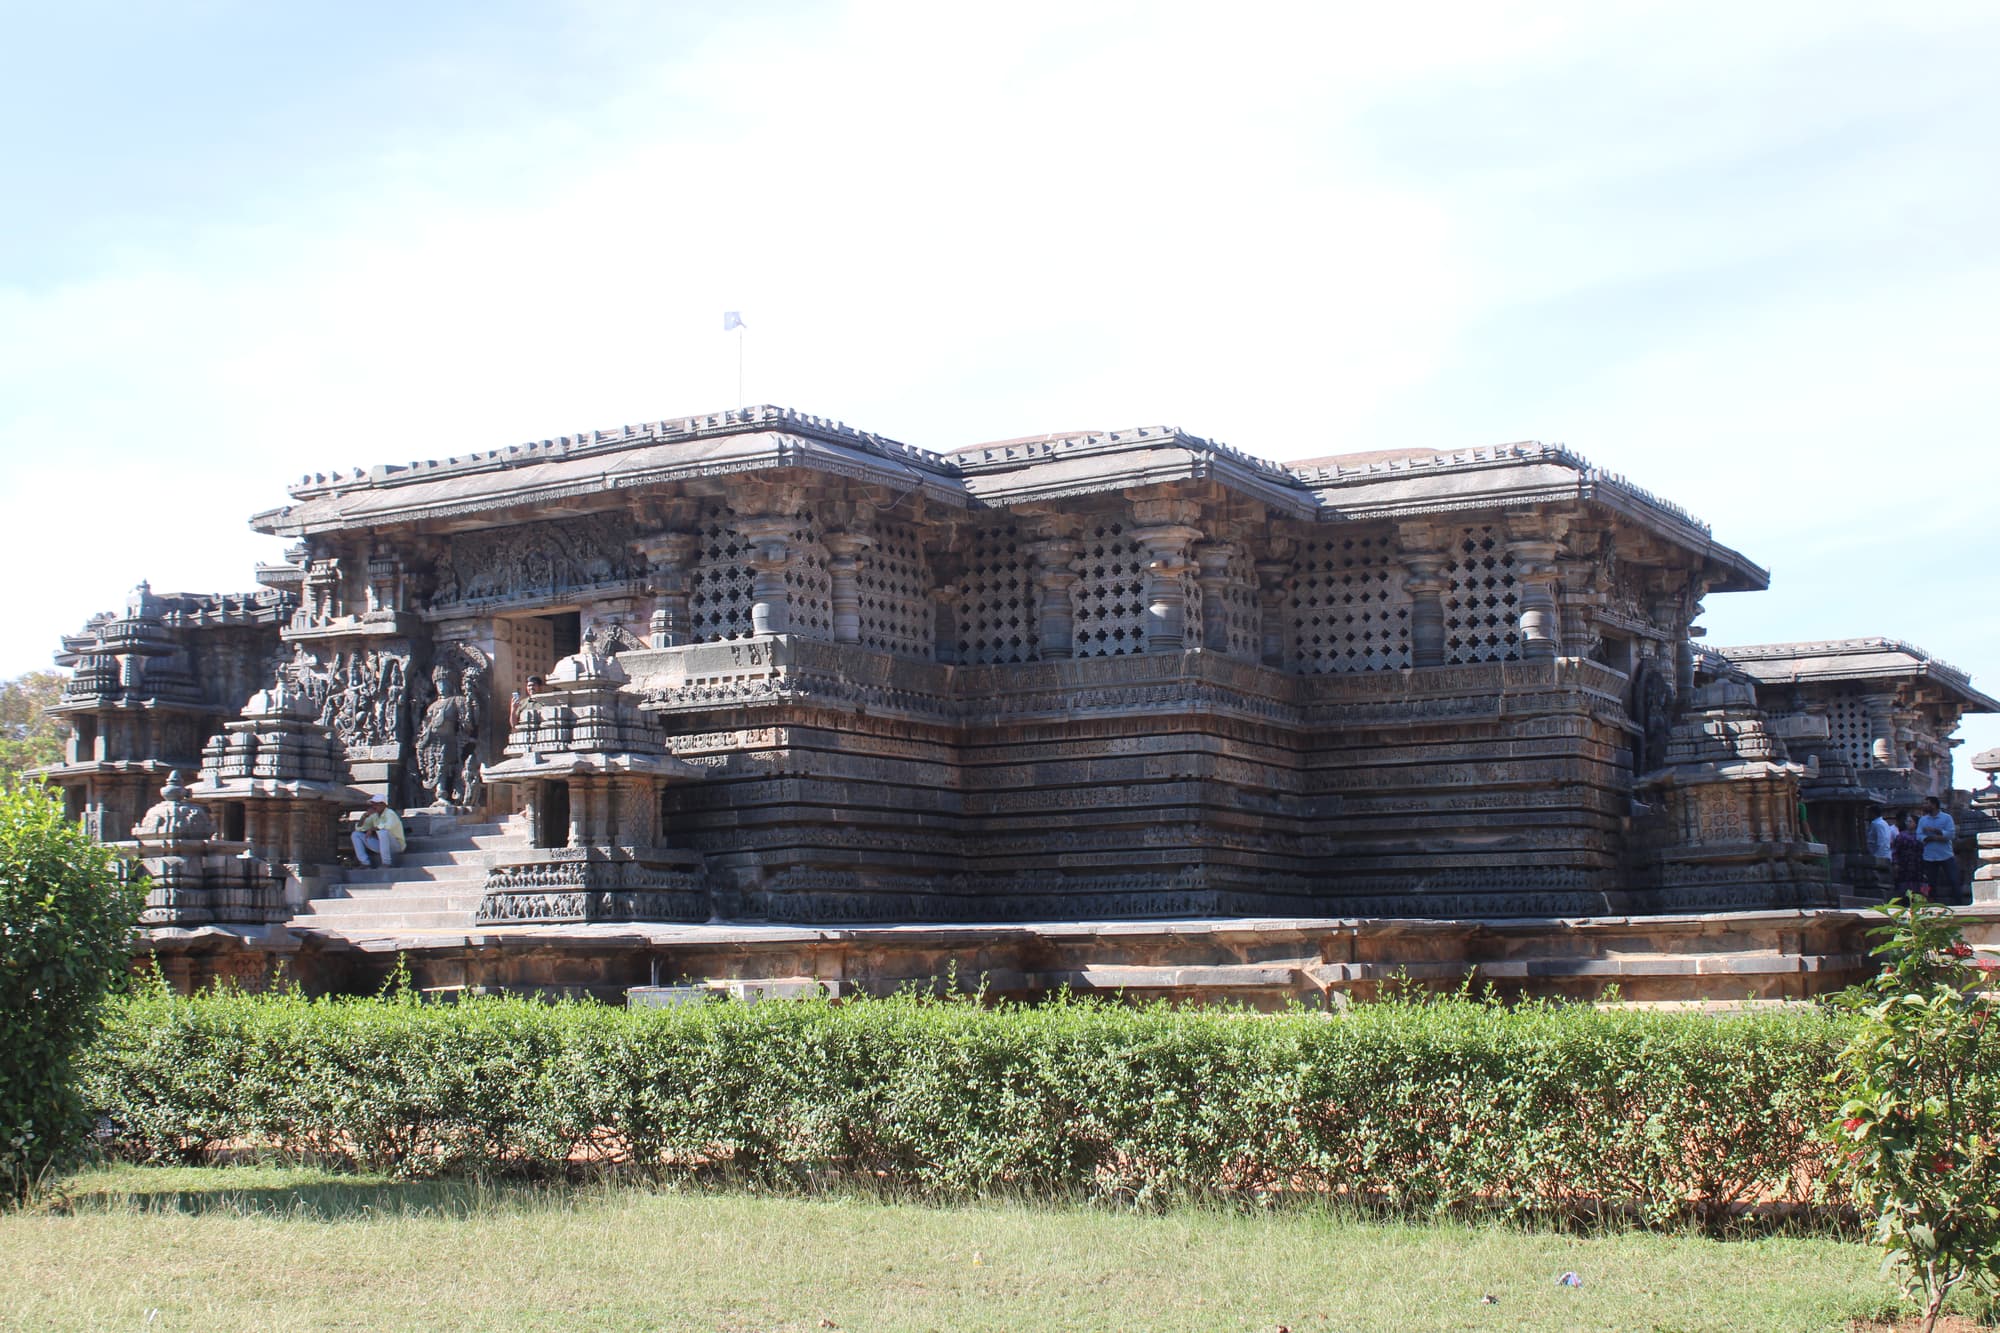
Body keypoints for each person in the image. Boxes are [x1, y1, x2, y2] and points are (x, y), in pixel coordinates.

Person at [1917, 795, 1960, 904]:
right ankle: (1932, 903)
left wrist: (1936, 832)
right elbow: (1919, 835)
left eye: (1927, 803)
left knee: (1953, 879)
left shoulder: (1946, 818)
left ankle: (1959, 902)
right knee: (1931, 882)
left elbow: (1951, 834)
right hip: (1929, 855)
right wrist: (1928, 838)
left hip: (1945, 854)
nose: (1924, 806)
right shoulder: (1923, 820)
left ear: (1934, 805)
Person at [352, 796, 405, 868]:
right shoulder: (374, 815)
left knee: (383, 832)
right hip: (381, 845)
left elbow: (387, 826)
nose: (374, 806)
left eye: (377, 804)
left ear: (384, 805)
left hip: (396, 846)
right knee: (356, 834)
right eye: (373, 804)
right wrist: (365, 816)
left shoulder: (390, 813)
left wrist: (372, 829)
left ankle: (386, 863)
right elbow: (360, 828)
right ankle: (365, 863)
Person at [1889, 812, 1927, 901]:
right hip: (1904, 865)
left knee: (1919, 888)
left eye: (1910, 821)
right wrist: (1895, 863)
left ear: (1916, 824)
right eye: (1907, 821)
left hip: (1918, 865)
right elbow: (1895, 851)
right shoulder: (1901, 836)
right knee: (1904, 888)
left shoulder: (1921, 836)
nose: (1908, 823)